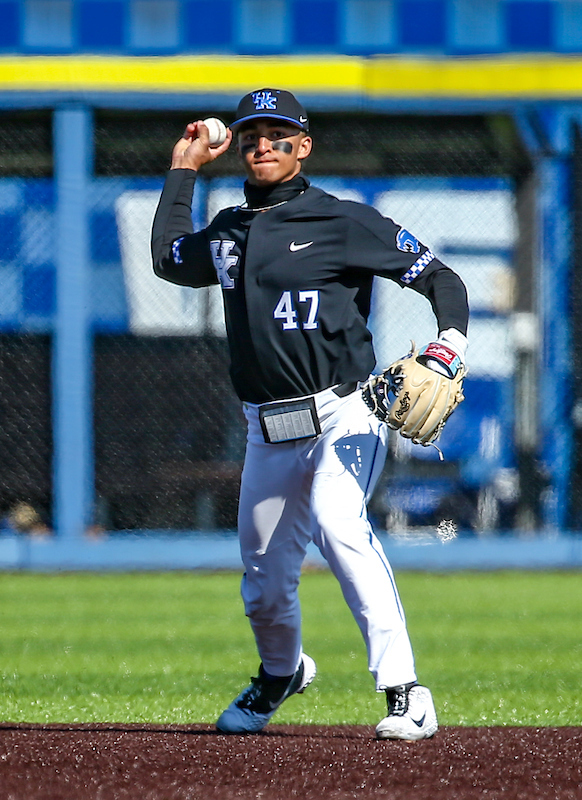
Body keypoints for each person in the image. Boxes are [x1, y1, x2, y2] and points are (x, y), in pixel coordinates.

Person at [150, 88, 469, 740]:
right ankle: (280, 674)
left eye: (278, 134)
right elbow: (168, 258)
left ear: (304, 145)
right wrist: (183, 169)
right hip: (267, 430)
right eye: (252, 135)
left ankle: (407, 691)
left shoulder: (343, 221)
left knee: (337, 523)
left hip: (347, 411)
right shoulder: (231, 231)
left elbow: (443, 280)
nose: (263, 144)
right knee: (264, 584)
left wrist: (443, 351)